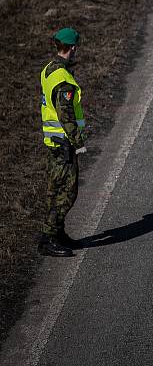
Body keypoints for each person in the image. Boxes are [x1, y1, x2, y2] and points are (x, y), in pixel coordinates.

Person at [39, 27, 87, 257]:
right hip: (64, 145)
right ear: (73, 48)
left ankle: (57, 234)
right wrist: (78, 142)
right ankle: (48, 238)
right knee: (67, 193)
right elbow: (66, 115)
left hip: (53, 142)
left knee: (54, 189)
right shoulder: (64, 79)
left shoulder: (49, 69)